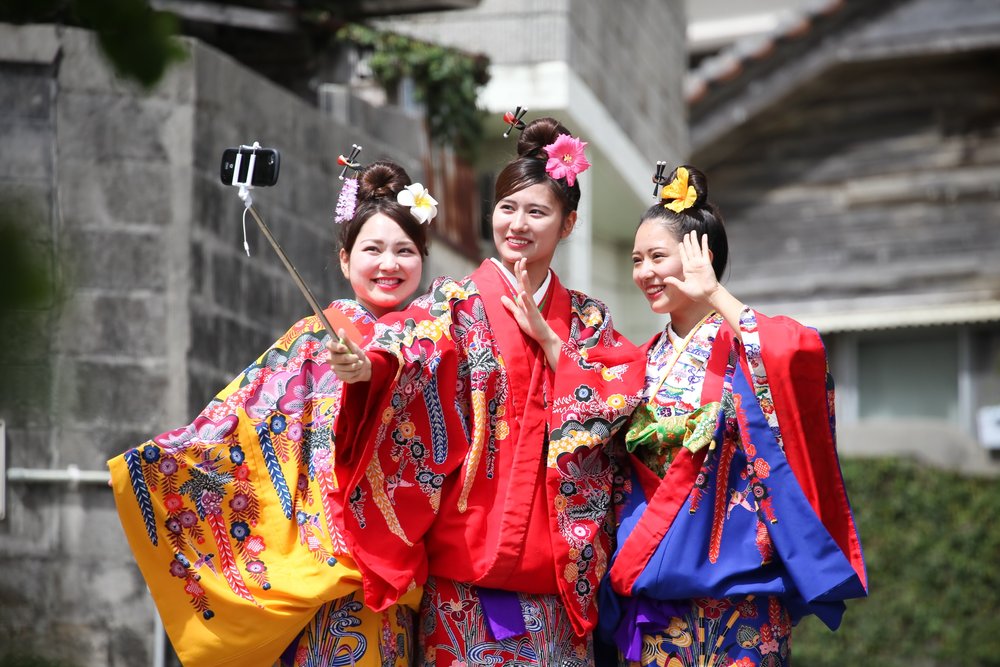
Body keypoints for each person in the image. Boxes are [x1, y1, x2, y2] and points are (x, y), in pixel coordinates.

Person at [327, 116, 646, 665]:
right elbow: (409, 354)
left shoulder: (590, 321)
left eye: (537, 211)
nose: (517, 224)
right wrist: (369, 370)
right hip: (466, 574)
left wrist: (553, 346)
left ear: (567, 224)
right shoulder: (454, 303)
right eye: (507, 208)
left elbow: (628, 395)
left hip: (558, 579)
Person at [108, 159, 434, 667]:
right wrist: (161, 463)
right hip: (318, 565)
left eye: (404, 251)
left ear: (423, 260)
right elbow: (238, 421)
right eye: (372, 249)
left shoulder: (433, 345)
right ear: (345, 260)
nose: (389, 263)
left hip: (396, 573)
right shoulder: (308, 341)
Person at [598, 165, 868, 666]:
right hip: (657, 577)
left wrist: (714, 295)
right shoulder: (642, 359)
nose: (644, 273)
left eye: (658, 256)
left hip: (741, 582)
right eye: (637, 260)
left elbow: (797, 356)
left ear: (703, 255)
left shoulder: (745, 343)